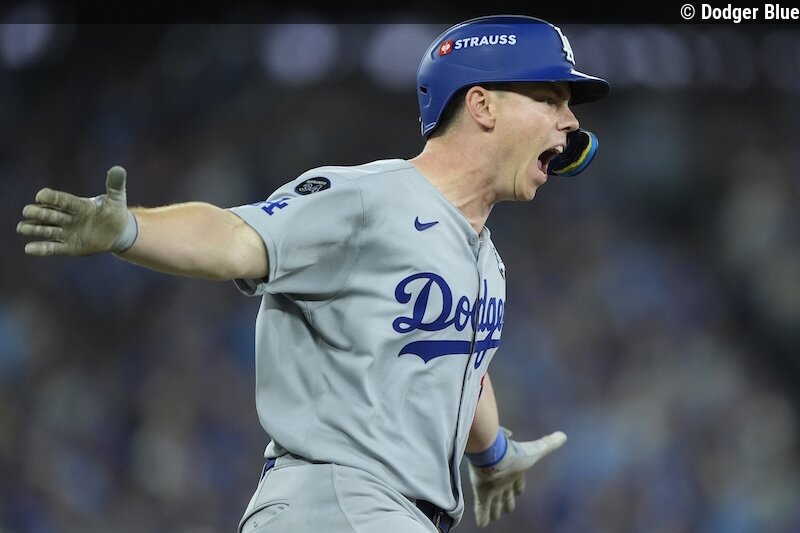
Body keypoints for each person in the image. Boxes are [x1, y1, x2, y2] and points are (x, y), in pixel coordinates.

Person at [16, 14, 610, 533]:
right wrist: (130, 229)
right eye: (550, 98)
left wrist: (494, 454)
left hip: (388, 514)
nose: (569, 122)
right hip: (336, 502)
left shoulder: (485, 258)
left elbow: (456, 365)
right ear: (482, 105)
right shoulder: (368, 198)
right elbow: (235, 237)